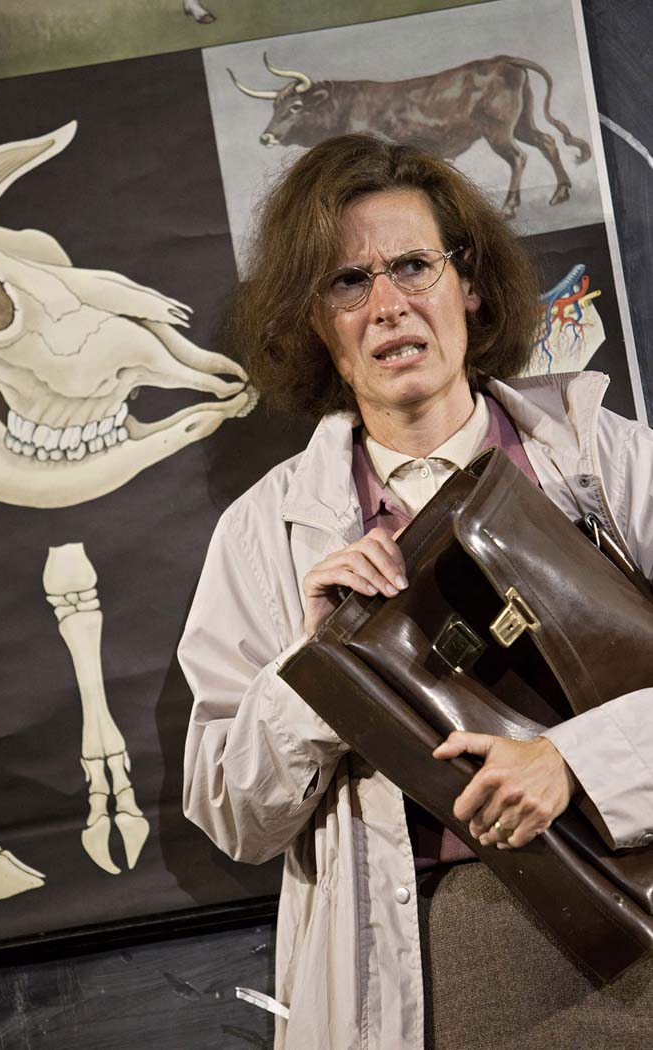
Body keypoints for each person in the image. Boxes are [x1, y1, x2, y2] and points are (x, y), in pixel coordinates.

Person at [179, 135, 653, 1050]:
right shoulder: (265, 531)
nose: (389, 305)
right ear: (316, 323)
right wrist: (317, 672)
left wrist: (575, 763)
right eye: (348, 282)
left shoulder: (602, 456)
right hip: (439, 970)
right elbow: (234, 818)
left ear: (468, 284)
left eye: (412, 266)